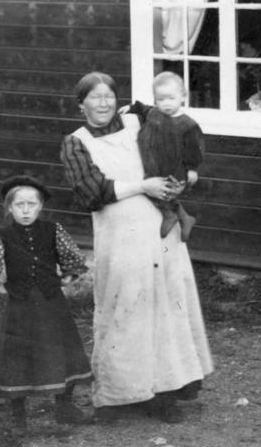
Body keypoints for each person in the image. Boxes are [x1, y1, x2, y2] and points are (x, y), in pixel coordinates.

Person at [59, 71, 213, 424]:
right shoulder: (76, 142)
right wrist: (143, 185)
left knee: (163, 309)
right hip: (120, 236)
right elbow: (93, 193)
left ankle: (164, 393)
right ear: (81, 104)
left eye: (108, 96)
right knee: (124, 309)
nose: (103, 103)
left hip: (161, 231)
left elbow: (176, 137)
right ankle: (117, 395)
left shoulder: (137, 120)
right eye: (94, 97)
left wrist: (183, 175)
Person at [0, 174, 92, 435]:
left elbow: (71, 258)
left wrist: (66, 279)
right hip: (20, 306)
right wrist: (3, 290)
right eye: (20, 205)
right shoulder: (1, 236)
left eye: (32, 204)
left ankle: (65, 406)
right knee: (19, 356)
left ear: (41, 206)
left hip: (52, 303)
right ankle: (17, 414)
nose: (26, 210)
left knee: (61, 350)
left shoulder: (53, 230)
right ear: (9, 208)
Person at [130, 71, 204, 242]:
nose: (166, 104)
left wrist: (192, 169)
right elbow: (143, 108)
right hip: (155, 164)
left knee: (167, 192)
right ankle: (184, 218)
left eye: (171, 98)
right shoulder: (155, 113)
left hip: (175, 166)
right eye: (161, 100)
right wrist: (132, 108)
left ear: (183, 97)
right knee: (154, 189)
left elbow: (195, 148)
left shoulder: (188, 124)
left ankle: (170, 215)